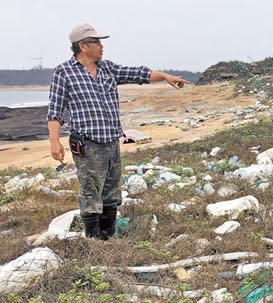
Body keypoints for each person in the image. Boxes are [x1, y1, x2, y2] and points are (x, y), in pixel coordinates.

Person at [47, 23, 190, 239]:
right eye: (96, 42)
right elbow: (55, 110)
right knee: (91, 192)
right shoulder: (64, 72)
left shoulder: (108, 69)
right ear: (83, 46)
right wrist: (54, 141)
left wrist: (165, 76)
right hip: (87, 144)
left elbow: (138, 74)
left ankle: (108, 238)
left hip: (112, 142)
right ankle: (94, 241)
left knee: (111, 193)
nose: (101, 46)